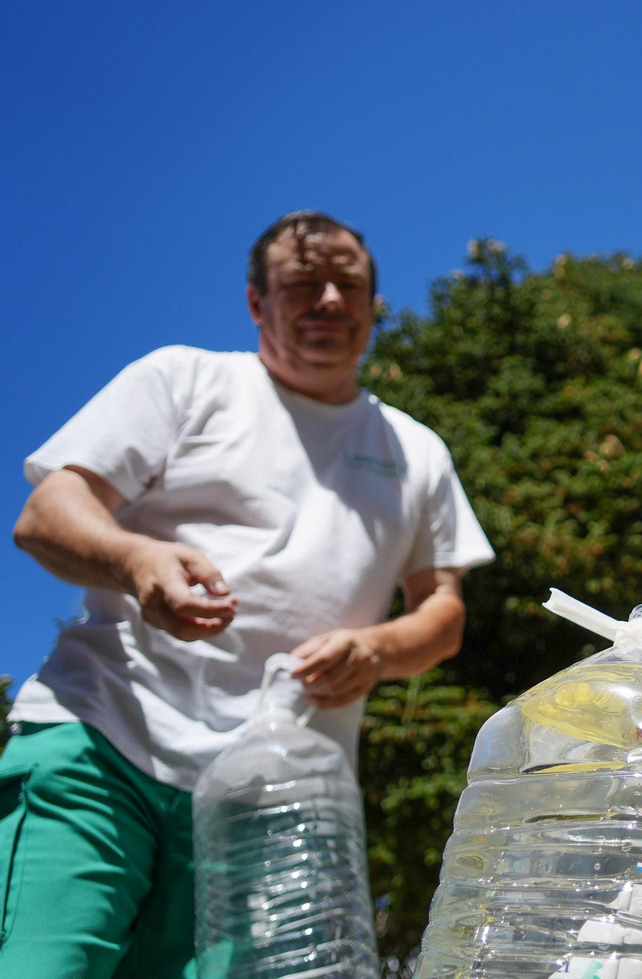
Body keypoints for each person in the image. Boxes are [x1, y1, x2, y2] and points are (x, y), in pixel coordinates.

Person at [2, 210, 495, 978]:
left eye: (349, 284)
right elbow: (46, 515)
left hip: (278, 803)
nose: (329, 299)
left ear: (372, 304)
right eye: (302, 283)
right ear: (257, 304)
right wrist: (137, 561)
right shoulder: (184, 381)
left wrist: (375, 648)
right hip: (107, 744)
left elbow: (442, 614)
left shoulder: (416, 450)